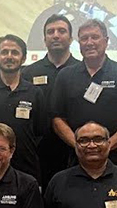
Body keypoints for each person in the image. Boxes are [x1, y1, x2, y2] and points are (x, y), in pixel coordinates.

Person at [49, 19, 117, 170]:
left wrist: (107, 146)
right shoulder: (65, 76)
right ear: (78, 43)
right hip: (77, 162)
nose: (89, 42)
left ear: (106, 41)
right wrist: (81, 146)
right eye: (84, 38)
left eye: (95, 37)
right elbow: (57, 119)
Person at [0, 34, 51, 183]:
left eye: (15, 52)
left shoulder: (35, 93)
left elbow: (40, 132)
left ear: (23, 58)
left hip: (27, 168)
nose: (9, 56)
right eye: (4, 52)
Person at [23, 14, 79, 183]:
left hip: (73, 151)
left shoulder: (82, 71)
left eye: (61, 31)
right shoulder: (28, 73)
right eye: (50, 32)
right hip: (38, 153)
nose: (56, 35)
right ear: (44, 39)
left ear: (70, 38)